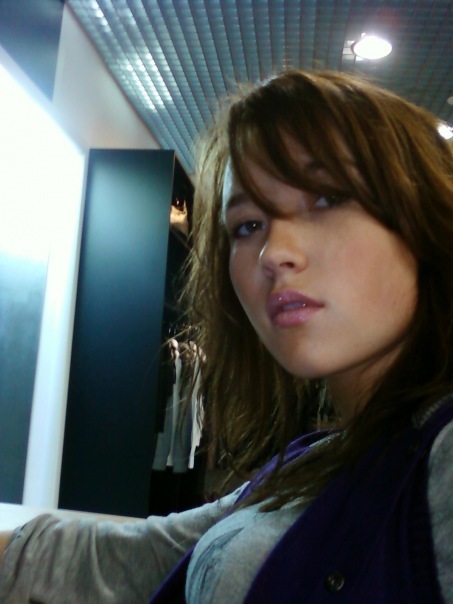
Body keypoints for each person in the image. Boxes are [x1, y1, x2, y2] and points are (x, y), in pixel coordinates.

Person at [1, 70, 452, 603]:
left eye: (329, 198)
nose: (273, 253)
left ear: (425, 217)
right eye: (247, 226)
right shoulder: (316, 461)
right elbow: (139, 558)